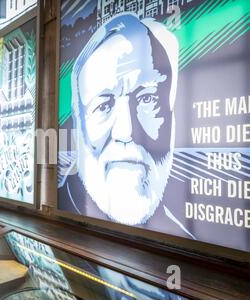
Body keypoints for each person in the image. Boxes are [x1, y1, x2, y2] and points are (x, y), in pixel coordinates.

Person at [59, 13, 194, 239]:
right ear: (77, 125)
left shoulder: (183, 237)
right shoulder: (61, 220)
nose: (125, 131)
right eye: (103, 105)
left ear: (172, 116)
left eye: (148, 99)